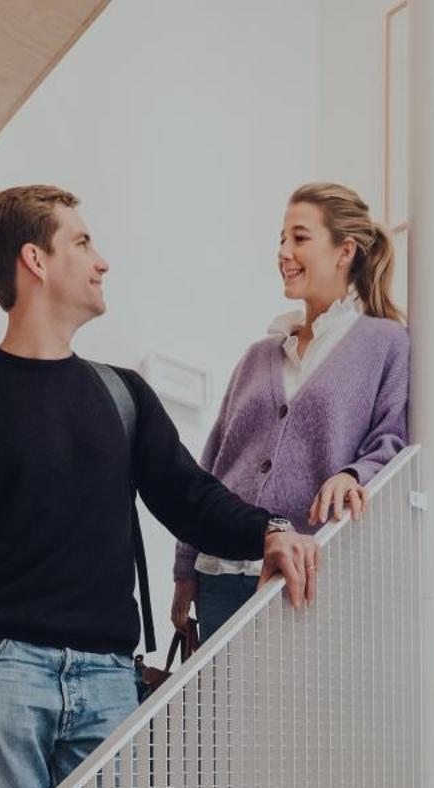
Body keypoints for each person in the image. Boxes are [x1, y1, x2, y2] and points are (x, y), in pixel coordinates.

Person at [0, 184, 324, 788]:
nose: (102, 262)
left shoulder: (121, 395)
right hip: (0, 677)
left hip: (108, 685)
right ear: (35, 259)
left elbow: (189, 497)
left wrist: (270, 529)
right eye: (83, 242)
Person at [173, 182, 409, 639]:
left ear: (345, 250)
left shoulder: (386, 343)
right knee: (225, 709)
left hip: (308, 569)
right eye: (281, 239)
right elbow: (210, 465)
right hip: (220, 570)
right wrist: (185, 564)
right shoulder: (259, 355)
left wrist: (354, 474)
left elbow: (393, 439)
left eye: (299, 238)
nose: (284, 251)